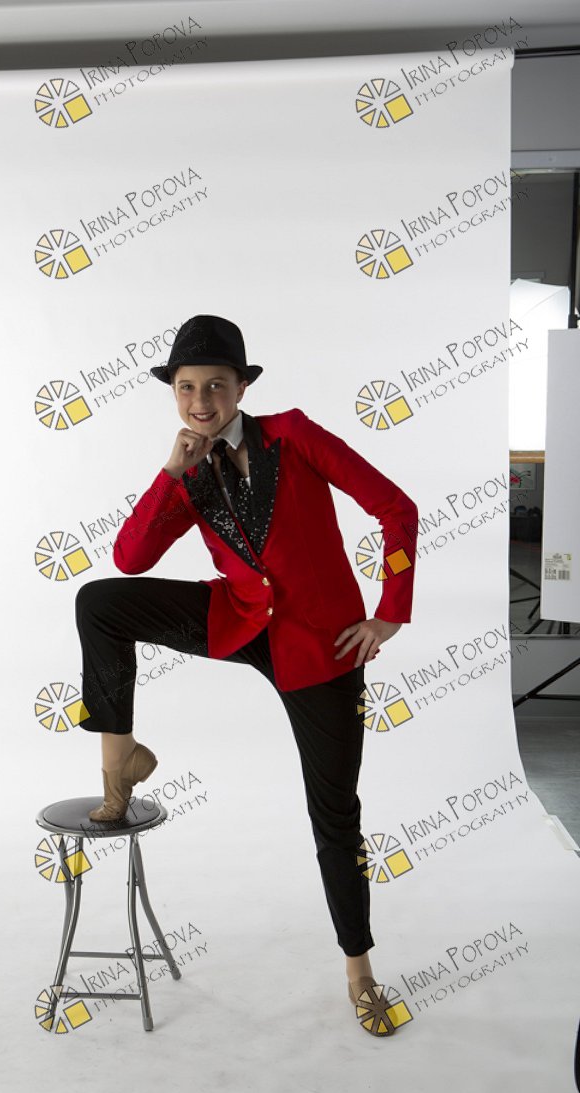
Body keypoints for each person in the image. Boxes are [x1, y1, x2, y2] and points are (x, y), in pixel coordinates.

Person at [74, 314, 418, 1037]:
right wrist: (171, 472)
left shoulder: (293, 435)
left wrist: (389, 612)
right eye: (187, 387)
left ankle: (359, 970)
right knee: (100, 602)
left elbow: (396, 508)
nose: (201, 401)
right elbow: (131, 558)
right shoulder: (190, 469)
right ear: (174, 392)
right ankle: (120, 761)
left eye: (215, 386)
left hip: (319, 645)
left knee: (334, 813)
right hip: (236, 619)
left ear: (241, 387)